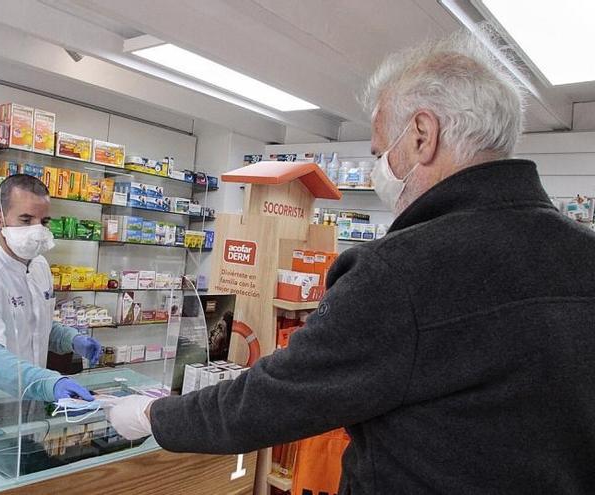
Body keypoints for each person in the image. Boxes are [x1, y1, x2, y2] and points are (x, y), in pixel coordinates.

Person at [104, 28, 595, 493]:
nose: (382, 167)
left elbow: (275, 399)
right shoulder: (583, 252)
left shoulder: (401, 271)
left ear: (423, 134)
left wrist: (154, 417)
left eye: (382, 151)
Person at [0, 174, 102, 402]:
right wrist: (49, 382)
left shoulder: (39, 266)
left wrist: (70, 338)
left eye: (44, 222)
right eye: (26, 220)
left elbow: (34, 323)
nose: (37, 230)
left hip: (27, 400)